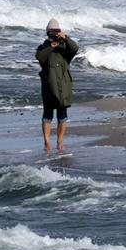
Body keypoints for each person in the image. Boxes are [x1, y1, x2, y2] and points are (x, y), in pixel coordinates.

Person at [36, 18, 79, 152]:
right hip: (49, 88)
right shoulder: (44, 48)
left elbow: (75, 48)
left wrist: (65, 37)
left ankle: (60, 142)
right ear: (47, 33)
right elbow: (39, 57)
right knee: (47, 116)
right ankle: (46, 143)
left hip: (63, 88)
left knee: (62, 116)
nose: (53, 34)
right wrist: (50, 46)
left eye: (56, 31)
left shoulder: (64, 50)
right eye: (51, 32)